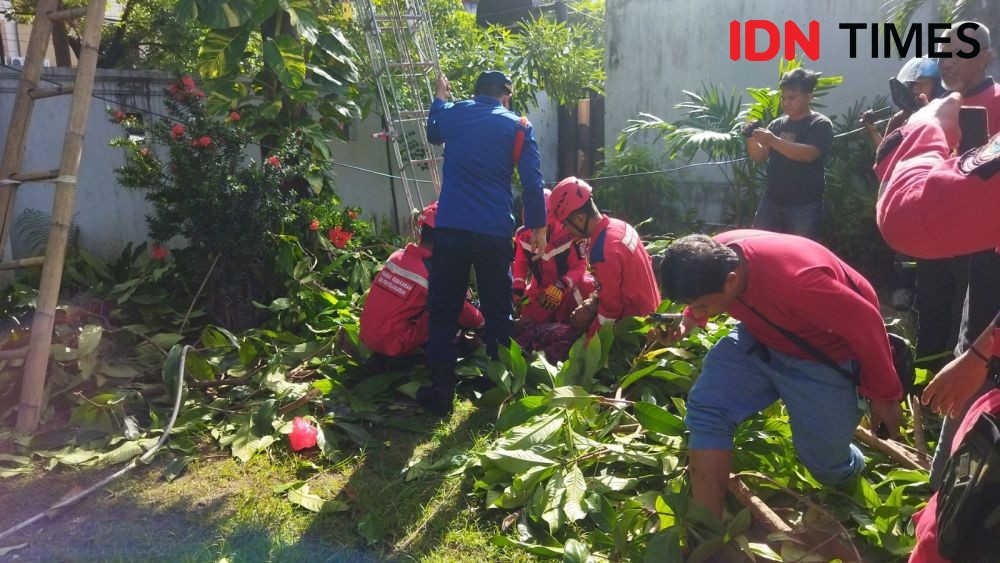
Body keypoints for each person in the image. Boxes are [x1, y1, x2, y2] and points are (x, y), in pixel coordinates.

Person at [657, 231, 902, 519]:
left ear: (731, 281)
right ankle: (706, 530)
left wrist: (885, 396)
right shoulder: (712, 256)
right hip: (761, 337)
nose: (699, 311)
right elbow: (701, 297)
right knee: (707, 409)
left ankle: (851, 466)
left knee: (826, 467)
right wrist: (688, 322)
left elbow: (866, 324)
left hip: (823, 357)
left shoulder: (797, 283)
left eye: (703, 307)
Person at [418, 70, 547, 415]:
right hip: (493, 233)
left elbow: (433, 132)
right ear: (506, 96)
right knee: (497, 309)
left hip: (451, 230)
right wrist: (538, 225)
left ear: (476, 93)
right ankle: (497, 390)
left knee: (444, 309)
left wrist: (440, 96)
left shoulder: (455, 112)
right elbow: (534, 184)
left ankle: (442, 393)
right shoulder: (518, 126)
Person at [358, 203, 484, 371]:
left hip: (367, 335)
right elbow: (466, 314)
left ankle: (385, 356)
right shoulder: (433, 274)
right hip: (393, 343)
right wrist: (482, 322)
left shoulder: (396, 257)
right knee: (446, 312)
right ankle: (436, 359)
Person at [547, 176, 660, 337]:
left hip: (636, 328)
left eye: (565, 225)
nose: (566, 231)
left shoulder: (603, 251)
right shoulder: (620, 225)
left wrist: (587, 347)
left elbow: (609, 313)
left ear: (580, 218)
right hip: (652, 312)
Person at [744, 68, 834, 240]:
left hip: (804, 206)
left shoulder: (820, 124)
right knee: (760, 245)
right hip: (771, 201)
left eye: (792, 98)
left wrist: (772, 140)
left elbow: (807, 154)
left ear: (808, 97)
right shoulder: (777, 124)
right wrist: (750, 138)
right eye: (783, 97)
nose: (786, 103)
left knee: (801, 254)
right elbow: (760, 156)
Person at [512, 189, 592, 325]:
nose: (535, 233)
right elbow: (520, 264)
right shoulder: (523, 235)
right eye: (532, 227)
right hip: (539, 290)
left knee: (587, 287)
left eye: (540, 228)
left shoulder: (569, 233)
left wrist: (561, 286)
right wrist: (518, 289)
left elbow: (580, 266)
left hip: (567, 287)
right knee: (526, 322)